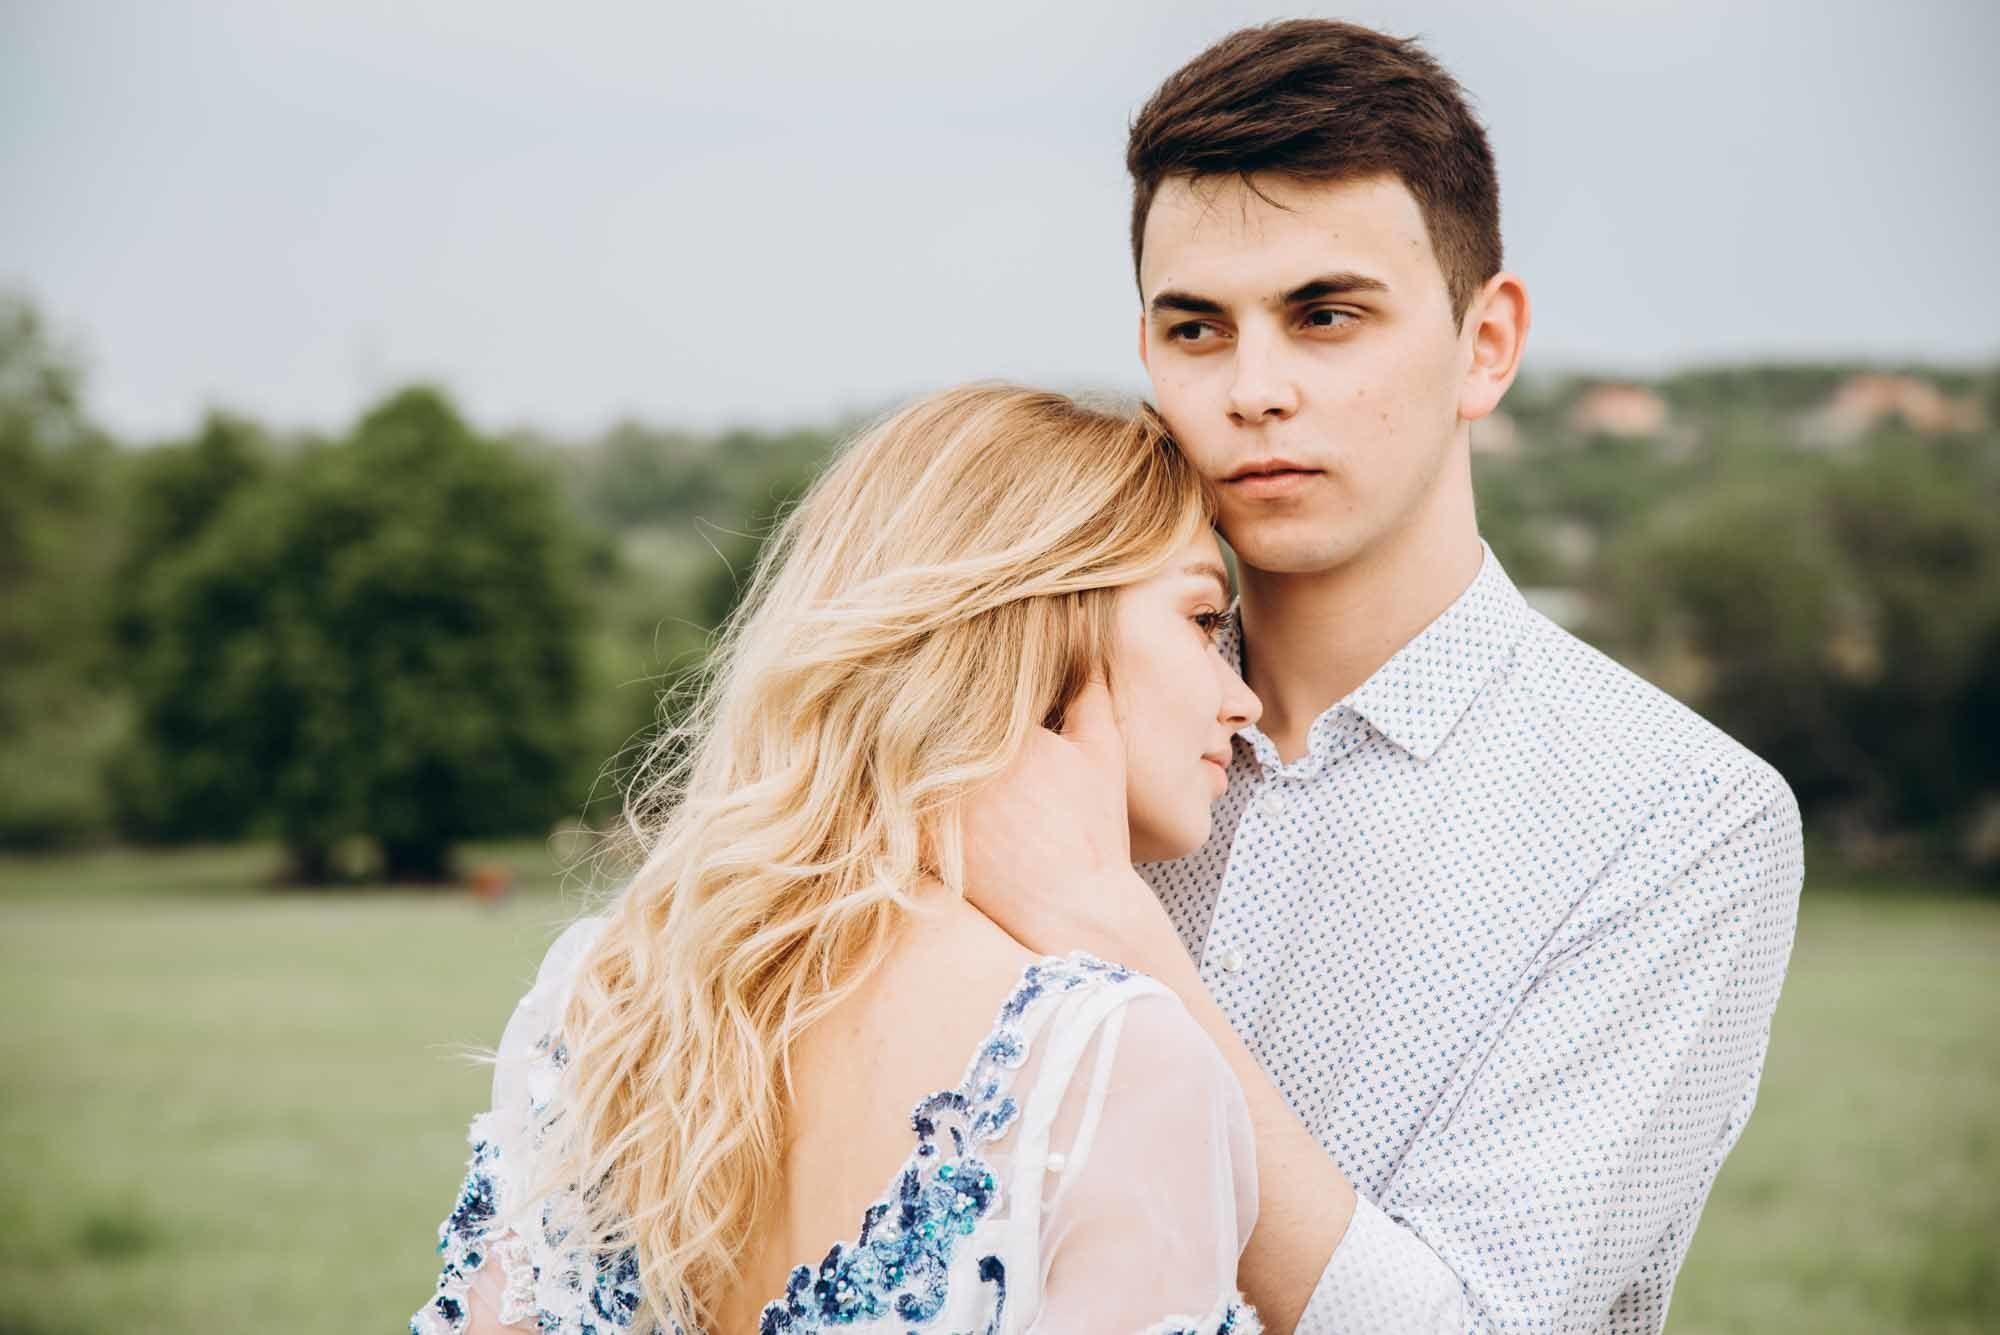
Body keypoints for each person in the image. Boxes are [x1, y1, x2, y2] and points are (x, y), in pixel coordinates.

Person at [959, 19, 1806, 1334]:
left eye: (1325, 315)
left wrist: (1106, 929)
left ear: (1486, 341)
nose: (1253, 389)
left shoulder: (1677, 815)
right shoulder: (1035, 726)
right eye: (1197, 327)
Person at [410, 386, 1268, 1334]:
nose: (1243, 699)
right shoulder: (1111, 1062)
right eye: (1202, 619)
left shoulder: (617, 987)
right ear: (1044, 622)